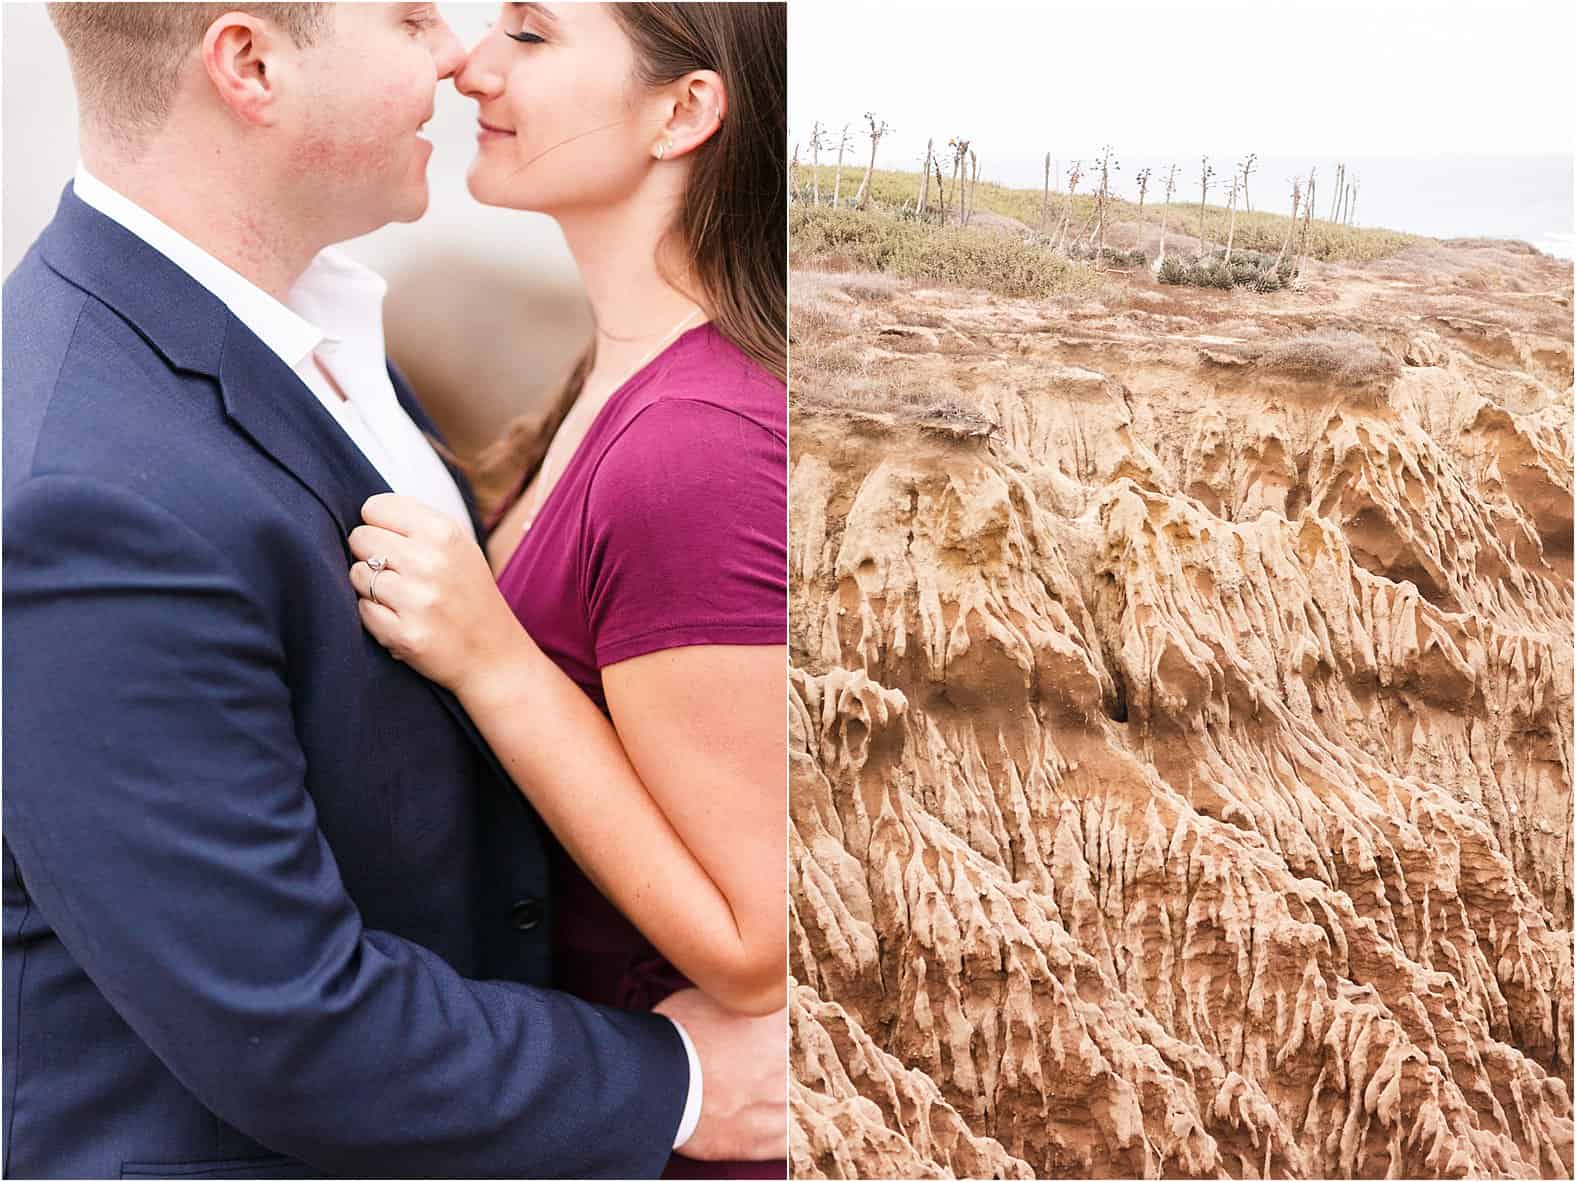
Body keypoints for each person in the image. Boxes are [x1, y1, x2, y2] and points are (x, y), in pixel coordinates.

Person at [1, 4, 784, 1178]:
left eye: (521, 30)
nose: (456, 55)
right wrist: (669, 1088)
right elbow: (285, 1018)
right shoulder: (88, 490)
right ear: (249, 64)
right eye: (413, 16)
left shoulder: (326, 337)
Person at [345, 5, 787, 1176]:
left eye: (532, 37)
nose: (470, 65)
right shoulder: (616, 371)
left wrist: (494, 662)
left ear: (684, 110)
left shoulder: (699, 444)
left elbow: (757, 940)